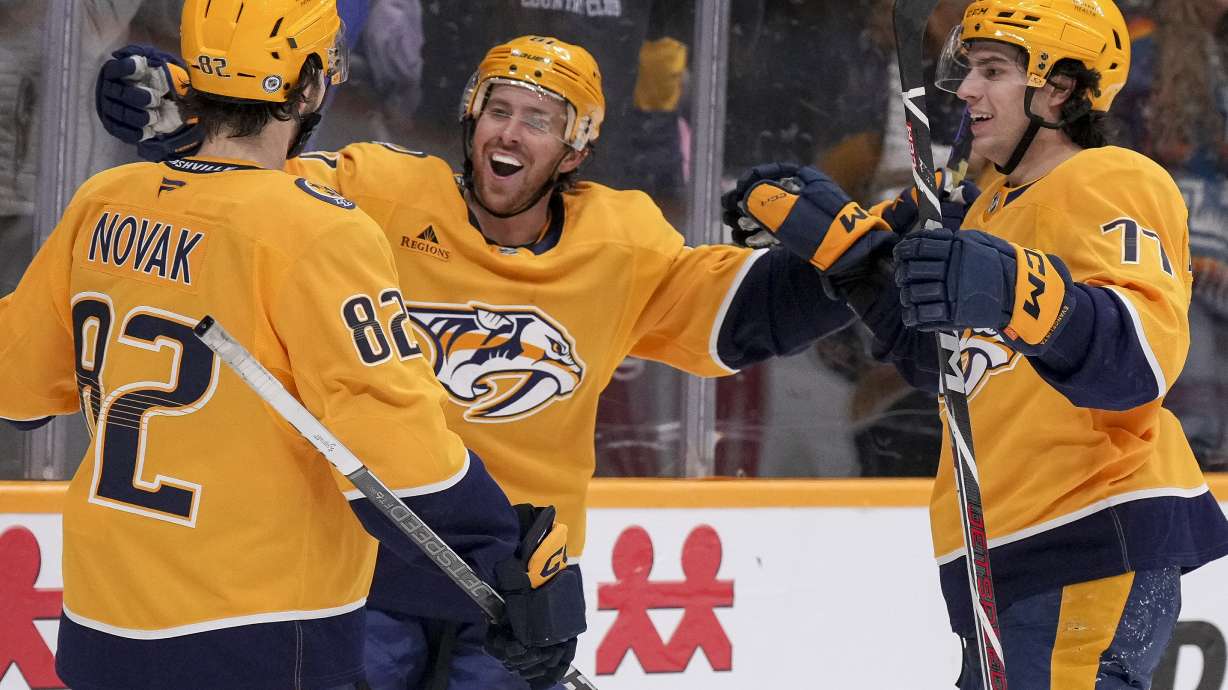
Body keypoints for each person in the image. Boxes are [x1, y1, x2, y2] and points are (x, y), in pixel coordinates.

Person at [94, 33, 858, 689]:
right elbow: (253, 182)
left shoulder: (621, 242)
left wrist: (852, 266)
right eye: (498, 109)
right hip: (364, 563)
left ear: (576, 148)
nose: (511, 133)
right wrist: (188, 117)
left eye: (539, 120)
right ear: (471, 116)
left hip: (515, 591)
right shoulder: (381, 191)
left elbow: (739, 316)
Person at [1, 2, 584, 688]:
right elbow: (398, 453)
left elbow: (19, 390)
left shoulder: (104, 200)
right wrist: (500, 561)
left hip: (101, 624)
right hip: (258, 633)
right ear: (309, 85)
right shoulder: (317, 233)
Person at [724, 0, 1228, 686]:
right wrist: (859, 269)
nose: (965, 88)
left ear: (1062, 86)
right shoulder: (988, 205)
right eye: (969, 69)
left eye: (994, 70)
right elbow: (957, 370)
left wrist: (1013, 286)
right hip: (1007, 550)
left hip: (1087, 533)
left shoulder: (1111, 177)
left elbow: (1140, 359)